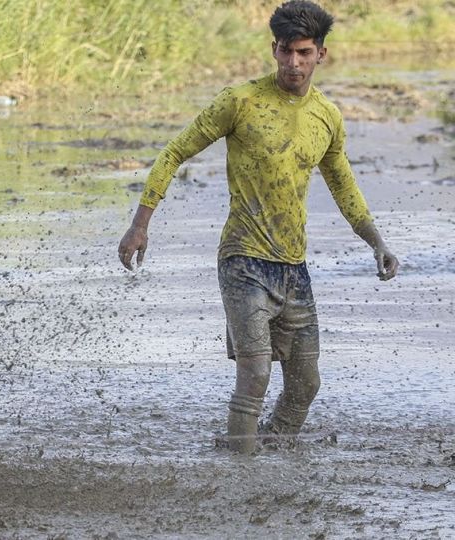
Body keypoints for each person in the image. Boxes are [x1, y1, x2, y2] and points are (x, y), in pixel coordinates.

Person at [117, 0, 399, 454]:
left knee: (306, 383)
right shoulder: (241, 101)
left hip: (293, 268)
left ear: (320, 55)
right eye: (286, 51)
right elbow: (174, 152)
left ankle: (264, 448)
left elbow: (343, 183)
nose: (294, 63)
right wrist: (140, 224)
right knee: (255, 374)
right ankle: (239, 474)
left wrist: (377, 242)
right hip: (243, 260)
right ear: (273, 50)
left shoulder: (326, 116)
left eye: (304, 53)